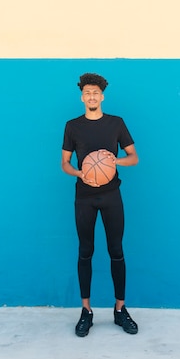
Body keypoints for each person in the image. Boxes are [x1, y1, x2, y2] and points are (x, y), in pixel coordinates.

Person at [61, 72, 139, 337]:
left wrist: (113, 162)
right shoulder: (72, 126)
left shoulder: (116, 123)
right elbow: (64, 163)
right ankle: (86, 312)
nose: (91, 96)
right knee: (86, 251)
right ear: (82, 97)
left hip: (111, 196)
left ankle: (120, 310)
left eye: (95, 92)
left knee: (116, 251)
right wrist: (79, 173)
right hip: (84, 196)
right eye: (87, 93)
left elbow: (134, 158)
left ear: (102, 96)